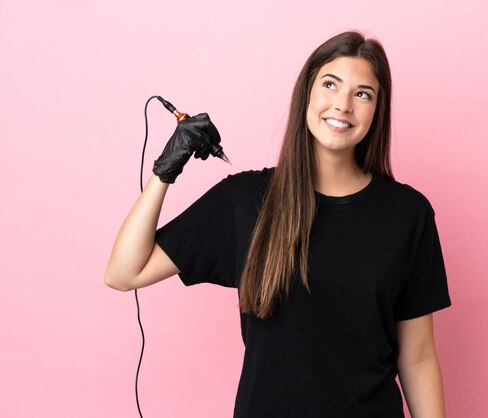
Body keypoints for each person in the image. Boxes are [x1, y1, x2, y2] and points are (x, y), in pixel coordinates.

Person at [105, 30, 452, 418]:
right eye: (331, 84)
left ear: (377, 110)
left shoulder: (408, 214)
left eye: (362, 94)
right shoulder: (244, 199)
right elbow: (124, 272)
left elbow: (419, 357)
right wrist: (166, 169)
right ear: (306, 93)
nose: (343, 105)